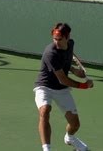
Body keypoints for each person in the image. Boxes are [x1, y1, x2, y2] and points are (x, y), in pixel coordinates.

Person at [33, 23, 94, 151]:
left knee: (75, 124)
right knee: (44, 111)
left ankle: (70, 137)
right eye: (54, 39)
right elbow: (63, 79)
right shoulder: (50, 52)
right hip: (44, 86)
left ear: (67, 37)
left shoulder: (71, 44)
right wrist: (84, 85)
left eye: (59, 39)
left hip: (61, 90)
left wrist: (74, 70)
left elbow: (66, 59)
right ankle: (47, 149)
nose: (56, 42)